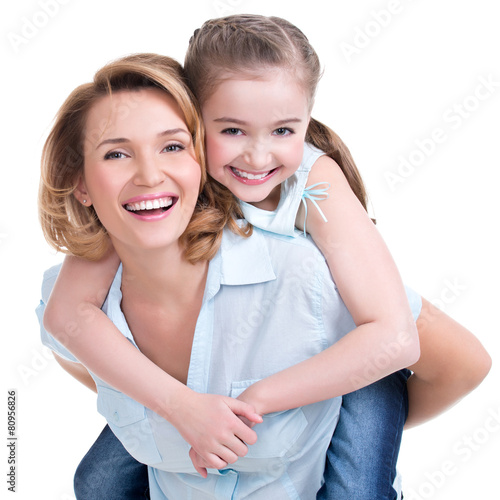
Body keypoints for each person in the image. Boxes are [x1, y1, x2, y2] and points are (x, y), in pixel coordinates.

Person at [37, 53, 490, 500]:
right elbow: (66, 321)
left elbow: (426, 349)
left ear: (196, 156)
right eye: (116, 153)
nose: (150, 174)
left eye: (173, 146)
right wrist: (170, 405)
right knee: (97, 483)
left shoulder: (307, 251)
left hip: (360, 360)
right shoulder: (95, 279)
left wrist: (313, 409)